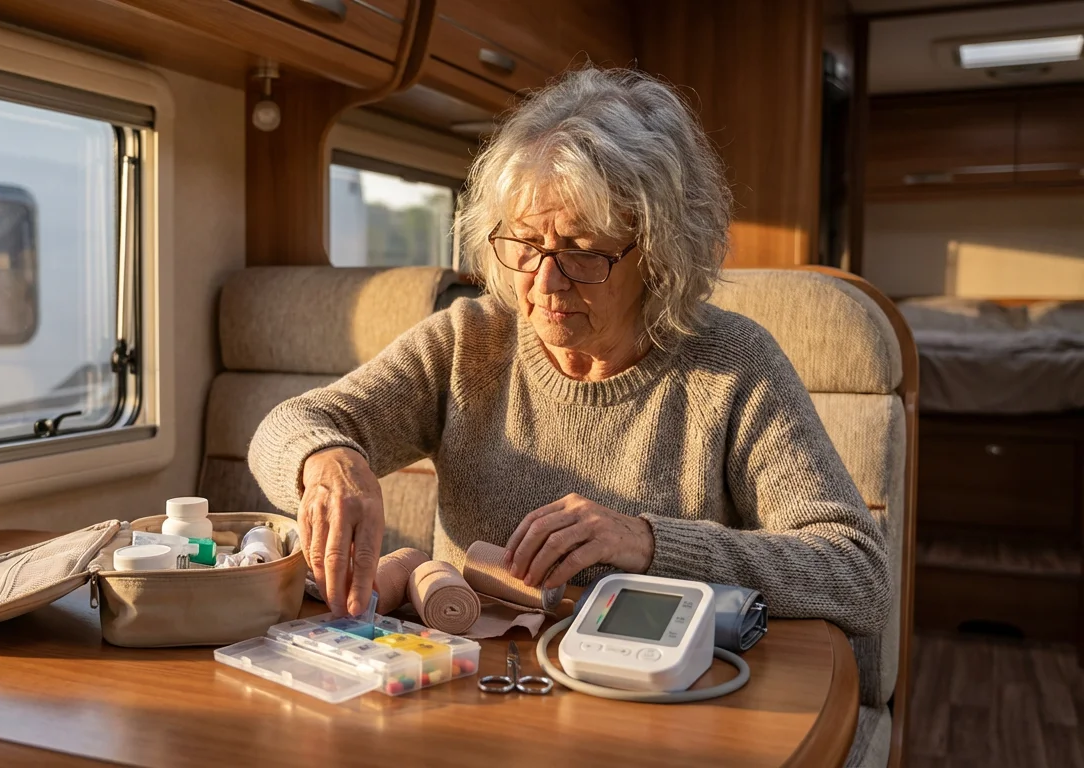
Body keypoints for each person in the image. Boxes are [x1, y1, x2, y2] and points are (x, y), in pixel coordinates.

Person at [247, 68, 890, 637]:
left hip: (650, 697)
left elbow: (859, 574)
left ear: (661, 257)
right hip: (474, 687)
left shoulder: (733, 365)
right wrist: (331, 462)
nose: (544, 283)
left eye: (582, 251)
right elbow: (286, 429)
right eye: (524, 243)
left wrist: (647, 542)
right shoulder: (468, 340)